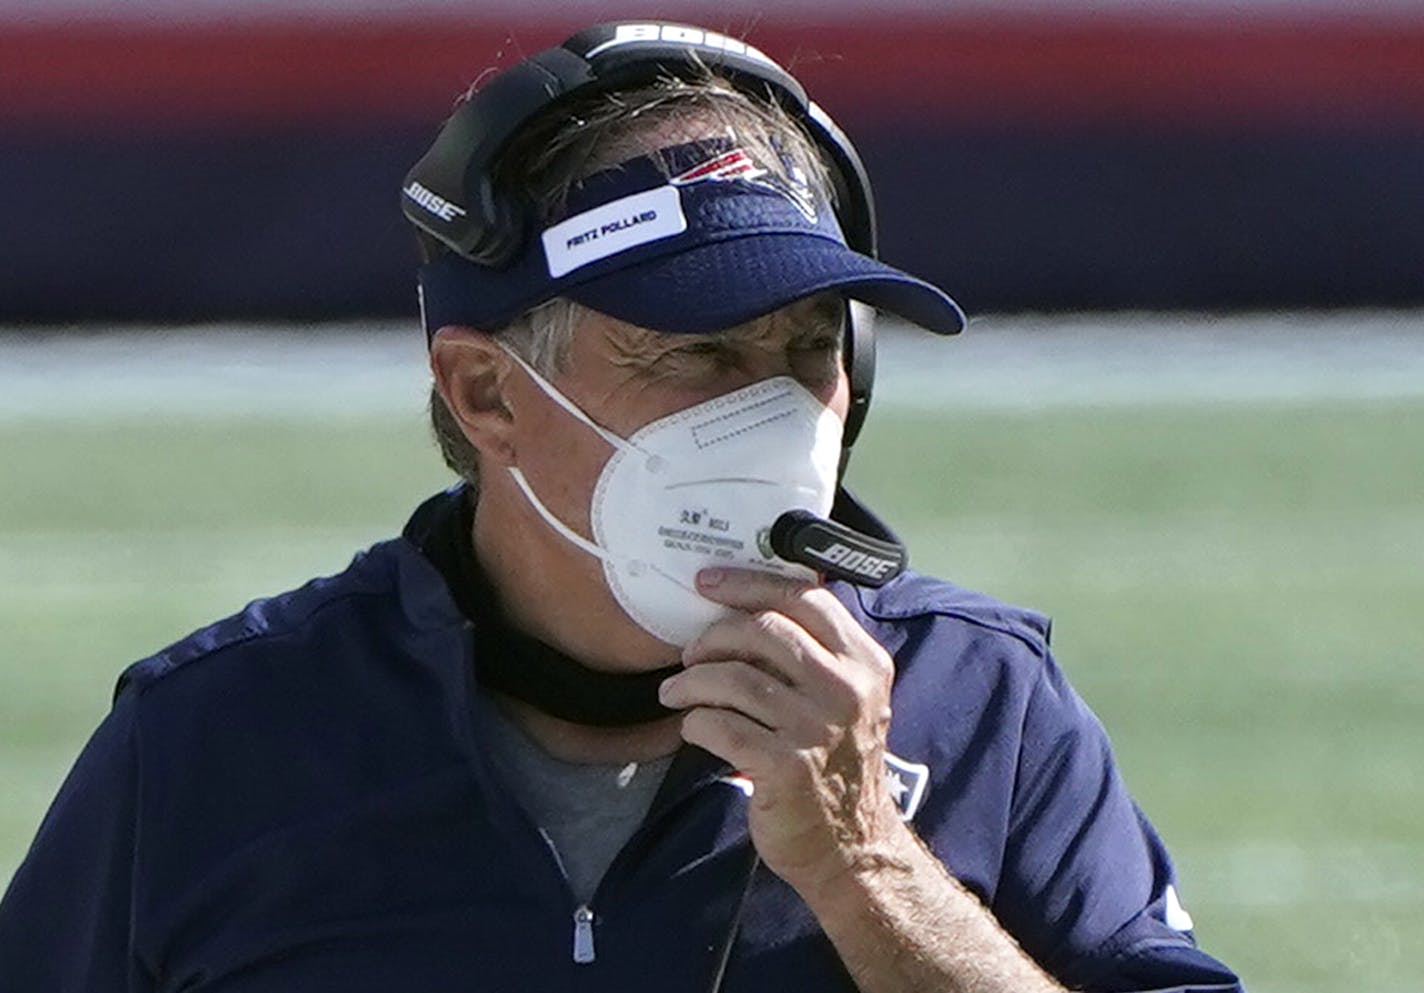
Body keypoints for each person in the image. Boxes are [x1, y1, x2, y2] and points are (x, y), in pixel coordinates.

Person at [0, 21, 1243, 993]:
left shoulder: (984, 705)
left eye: (807, 348)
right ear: (486, 390)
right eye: (696, 350)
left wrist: (869, 871)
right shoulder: (215, 740)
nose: (770, 409)